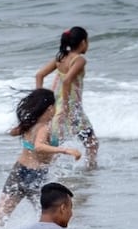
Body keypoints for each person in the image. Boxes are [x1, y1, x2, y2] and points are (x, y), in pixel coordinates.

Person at [0, 88, 81, 229]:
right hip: (33, 175)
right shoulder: (43, 127)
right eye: (55, 106)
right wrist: (65, 150)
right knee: (51, 217)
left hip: (20, 172)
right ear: (50, 108)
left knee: (0, 218)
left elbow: (14, 133)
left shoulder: (32, 124)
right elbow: (39, 147)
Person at [36, 27, 98, 166]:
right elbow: (67, 81)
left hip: (55, 105)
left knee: (57, 141)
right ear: (83, 42)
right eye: (87, 41)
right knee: (91, 143)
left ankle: (50, 170)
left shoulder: (61, 57)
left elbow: (39, 75)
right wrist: (66, 106)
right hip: (71, 106)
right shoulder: (79, 60)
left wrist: (39, 99)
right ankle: (90, 169)